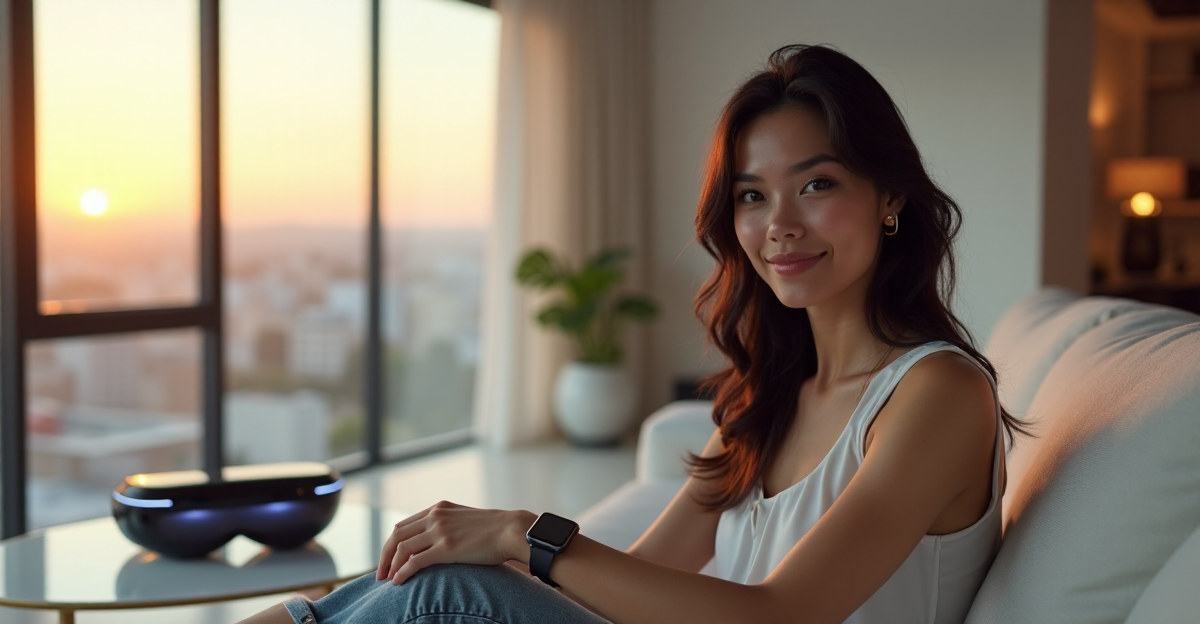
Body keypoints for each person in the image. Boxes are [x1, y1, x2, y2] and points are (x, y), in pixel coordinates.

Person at [240, 43, 1026, 624]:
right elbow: (637, 581)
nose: (780, 225)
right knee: (387, 588)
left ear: (889, 196)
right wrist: (487, 546)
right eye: (752, 196)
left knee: (445, 594)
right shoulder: (774, 399)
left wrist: (521, 532)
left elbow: (782, 615)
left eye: (817, 184)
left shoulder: (939, 392)